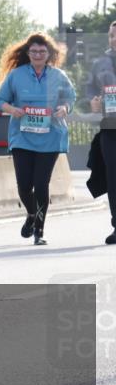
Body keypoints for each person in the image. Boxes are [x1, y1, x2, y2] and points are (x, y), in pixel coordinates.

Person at [0, 33, 76, 246]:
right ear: (28, 53)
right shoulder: (16, 75)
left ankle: (39, 230)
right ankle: (32, 214)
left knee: (41, 184)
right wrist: (12, 109)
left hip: (50, 137)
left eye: (42, 51)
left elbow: (70, 97)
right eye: (34, 51)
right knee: (24, 186)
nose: (38, 54)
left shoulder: (58, 76)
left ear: (49, 53)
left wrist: (64, 108)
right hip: (22, 138)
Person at [85, 20, 116, 245]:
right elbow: (90, 91)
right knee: (113, 179)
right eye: (112, 36)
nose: (114, 40)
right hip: (110, 127)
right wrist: (93, 103)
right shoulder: (100, 63)